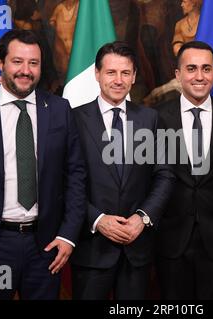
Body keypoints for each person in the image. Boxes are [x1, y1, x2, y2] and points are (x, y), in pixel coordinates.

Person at [0, 29, 86, 300]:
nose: (26, 70)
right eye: (17, 61)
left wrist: (67, 235)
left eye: (33, 63)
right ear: (1, 64)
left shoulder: (59, 110)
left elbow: (75, 175)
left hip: (45, 247)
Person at [71, 41, 175, 300]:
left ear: (134, 76)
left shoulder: (149, 119)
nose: (118, 80)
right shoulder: (72, 119)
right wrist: (97, 219)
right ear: (97, 74)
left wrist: (143, 217)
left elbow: (164, 174)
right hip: (91, 249)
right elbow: (64, 181)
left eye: (125, 73)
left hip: (136, 249)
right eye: (111, 72)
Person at [154, 41, 213, 299]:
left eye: (206, 68)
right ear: (178, 74)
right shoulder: (156, 118)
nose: (199, 76)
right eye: (191, 68)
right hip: (170, 240)